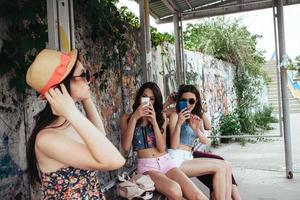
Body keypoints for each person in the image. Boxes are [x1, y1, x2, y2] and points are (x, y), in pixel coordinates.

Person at [26, 49, 125, 199]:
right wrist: (72, 112)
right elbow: (115, 160)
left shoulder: (70, 122)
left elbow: (101, 139)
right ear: (63, 85)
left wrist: (86, 98)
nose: (89, 79)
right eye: (83, 75)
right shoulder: (47, 139)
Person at [120, 82, 208, 200]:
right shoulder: (127, 118)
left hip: (166, 162)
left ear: (155, 101)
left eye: (152, 99)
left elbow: (161, 148)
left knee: (197, 195)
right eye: (145, 97)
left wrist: (154, 122)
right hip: (147, 166)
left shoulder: (160, 116)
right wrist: (135, 117)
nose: (148, 101)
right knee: (175, 190)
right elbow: (125, 147)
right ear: (139, 97)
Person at [164, 86, 241, 200]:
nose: (187, 104)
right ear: (179, 101)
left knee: (226, 165)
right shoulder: (175, 115)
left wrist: (196, 129)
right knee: (219, 168)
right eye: (183, 100)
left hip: (188, 157)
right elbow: (174, 146)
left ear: (195, 102)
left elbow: (205, 140)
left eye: (191, 101)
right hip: (176, 159)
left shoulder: (195, 117)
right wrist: (179, 123)